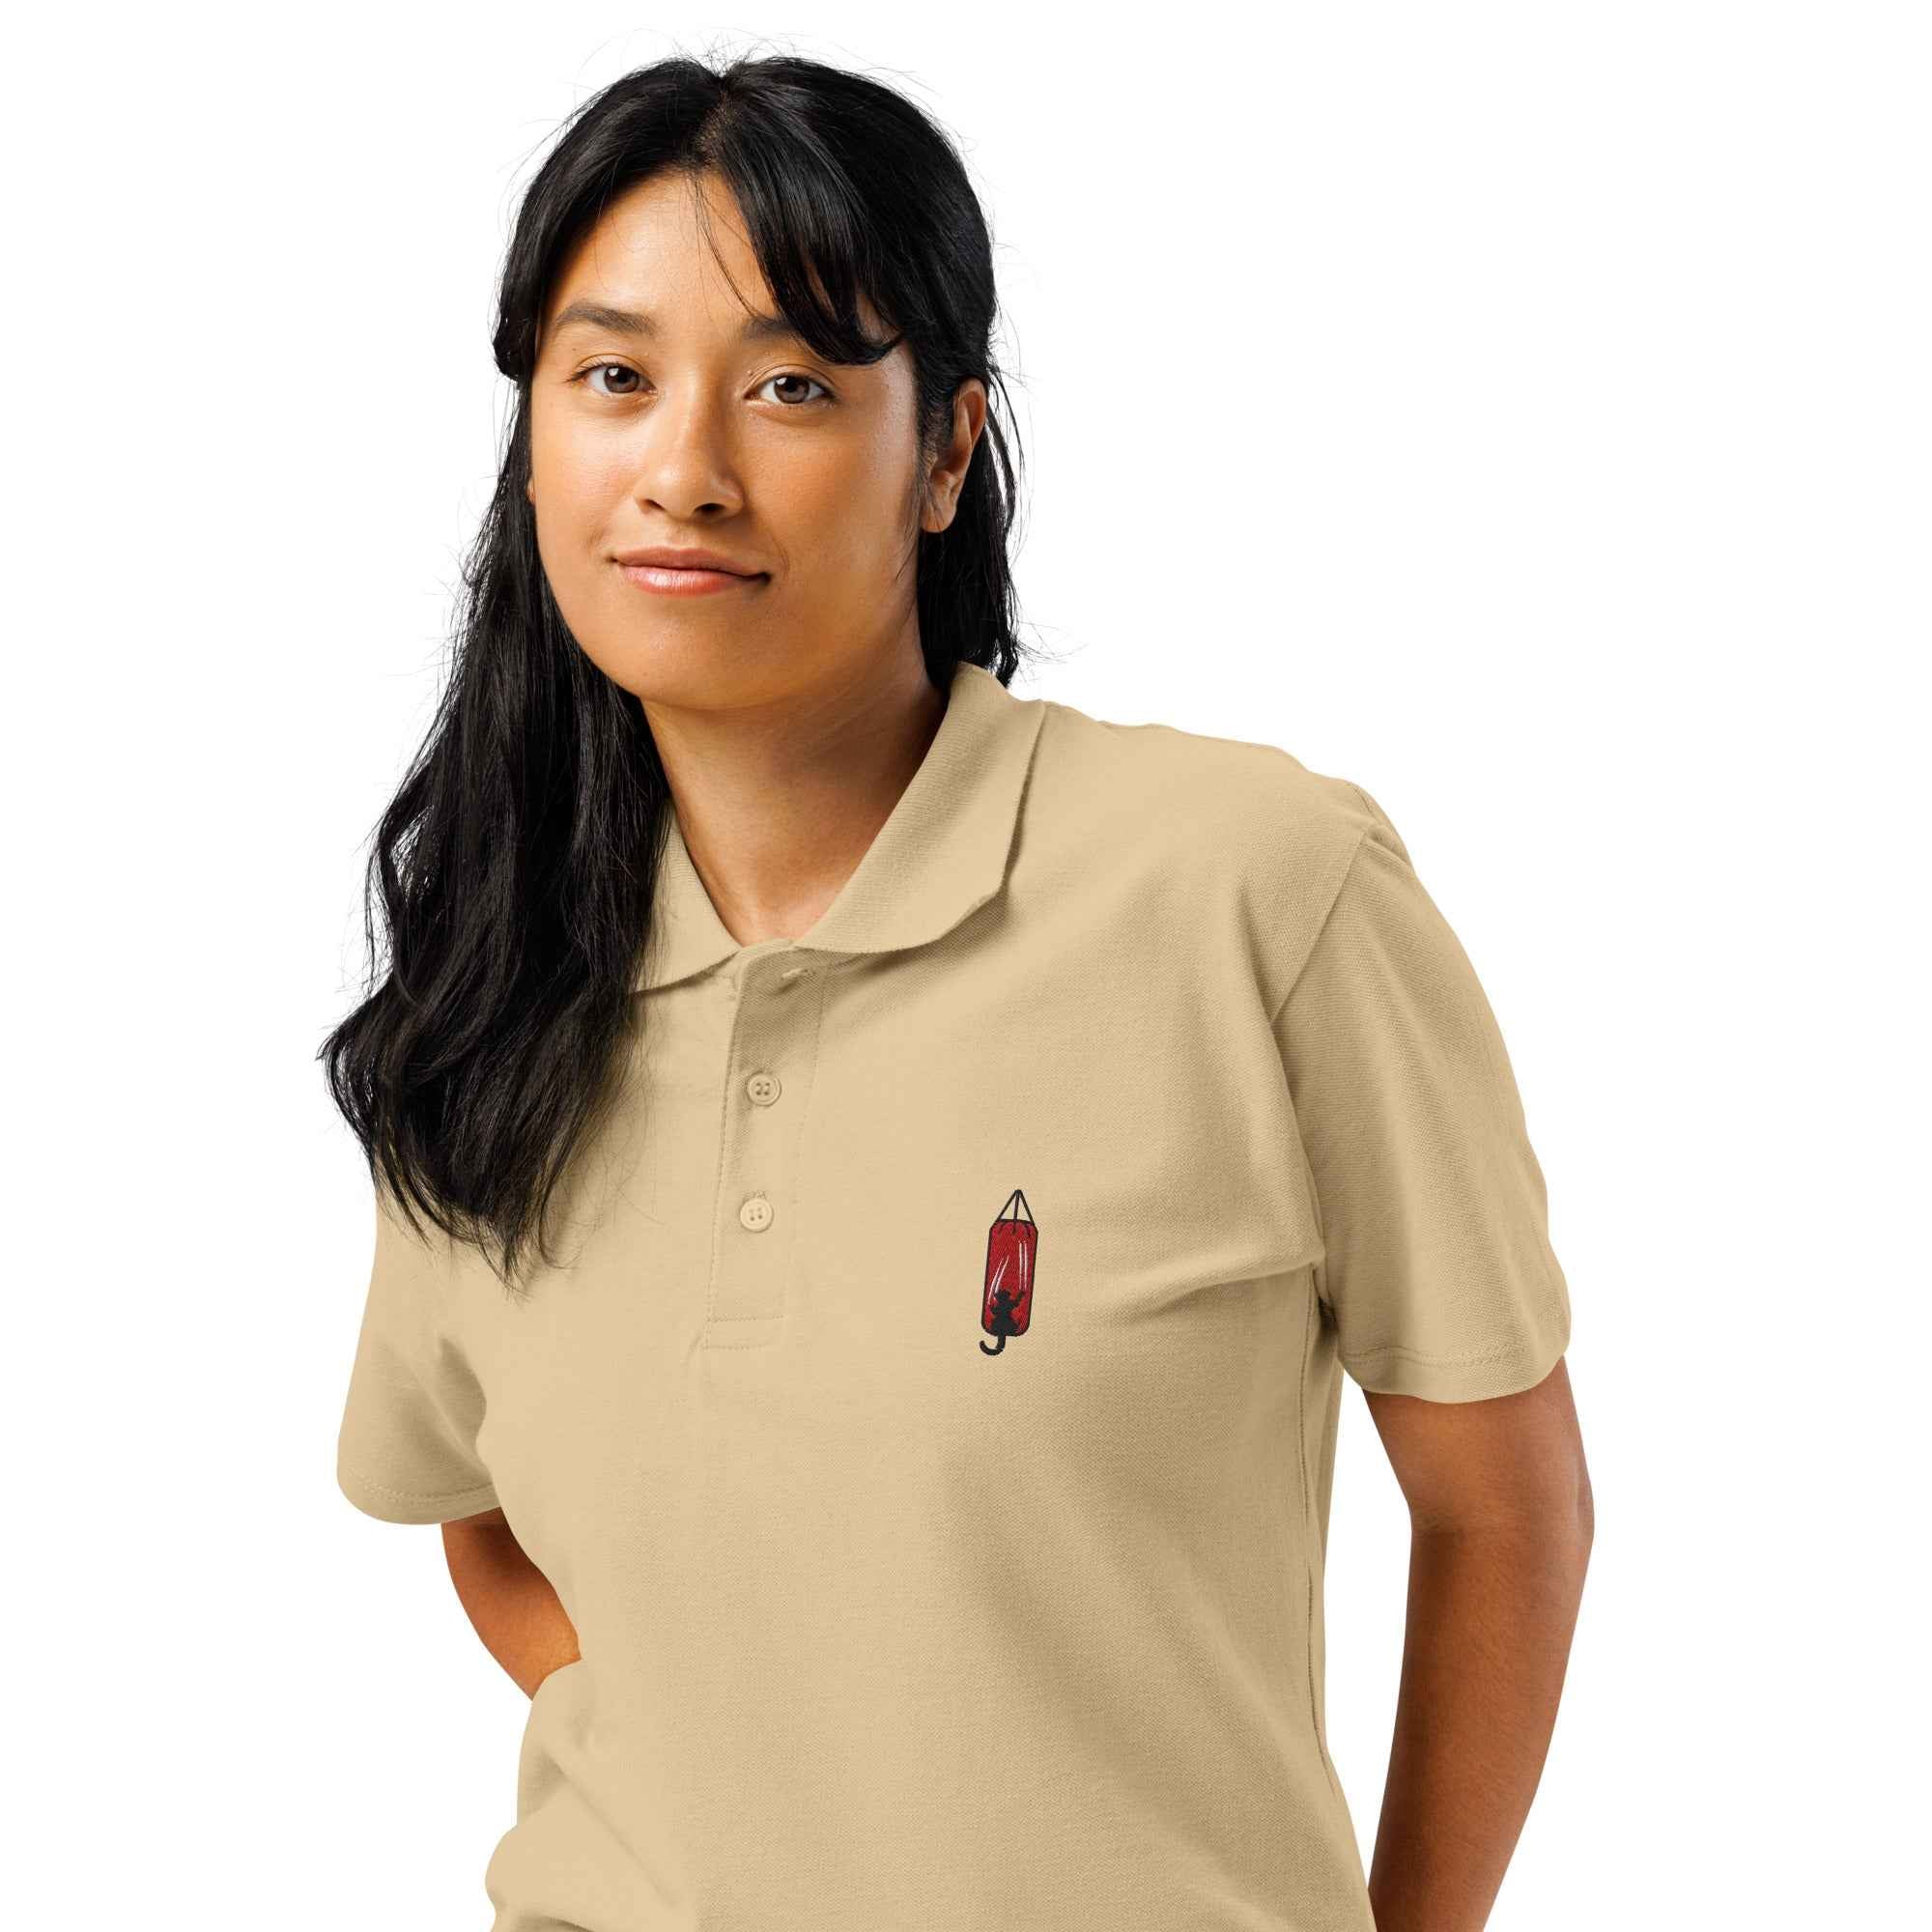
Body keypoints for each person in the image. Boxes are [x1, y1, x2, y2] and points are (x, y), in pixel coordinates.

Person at [324, 52, 1593, 1932]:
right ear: (534, 441)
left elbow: (1505, 1508)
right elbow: (485, 1521)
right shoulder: (499, 976)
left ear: (943, 451)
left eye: (792, 386)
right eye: (612, 378)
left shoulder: (1255, 890)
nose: (684, 470)